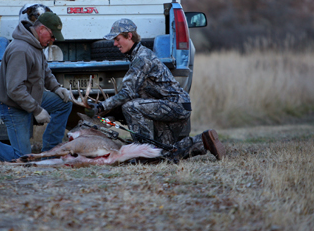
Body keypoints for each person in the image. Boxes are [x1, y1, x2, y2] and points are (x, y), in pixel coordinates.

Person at [87, 18, 225, 161]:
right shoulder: (137, 55)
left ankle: (143, 151)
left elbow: (128, 93)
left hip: (175, 106)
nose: (115, 44)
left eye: (117, 39)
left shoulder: (142, 58)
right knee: (162, 154)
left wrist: (101, 106)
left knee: (130, 107)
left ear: (129, 36)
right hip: (173, 106)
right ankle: (202, 141)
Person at [0, 12, 73, 165]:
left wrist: (57, 88)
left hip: (29, 98)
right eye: (52, 36)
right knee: (23, 157)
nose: (53, 41)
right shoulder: (21, 50)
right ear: (42, 29)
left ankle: (50, 155)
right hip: (12, 105)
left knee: (64, 103)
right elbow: (14, 89)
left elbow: (45, 71)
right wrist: (37, 110)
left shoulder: (36, 45)